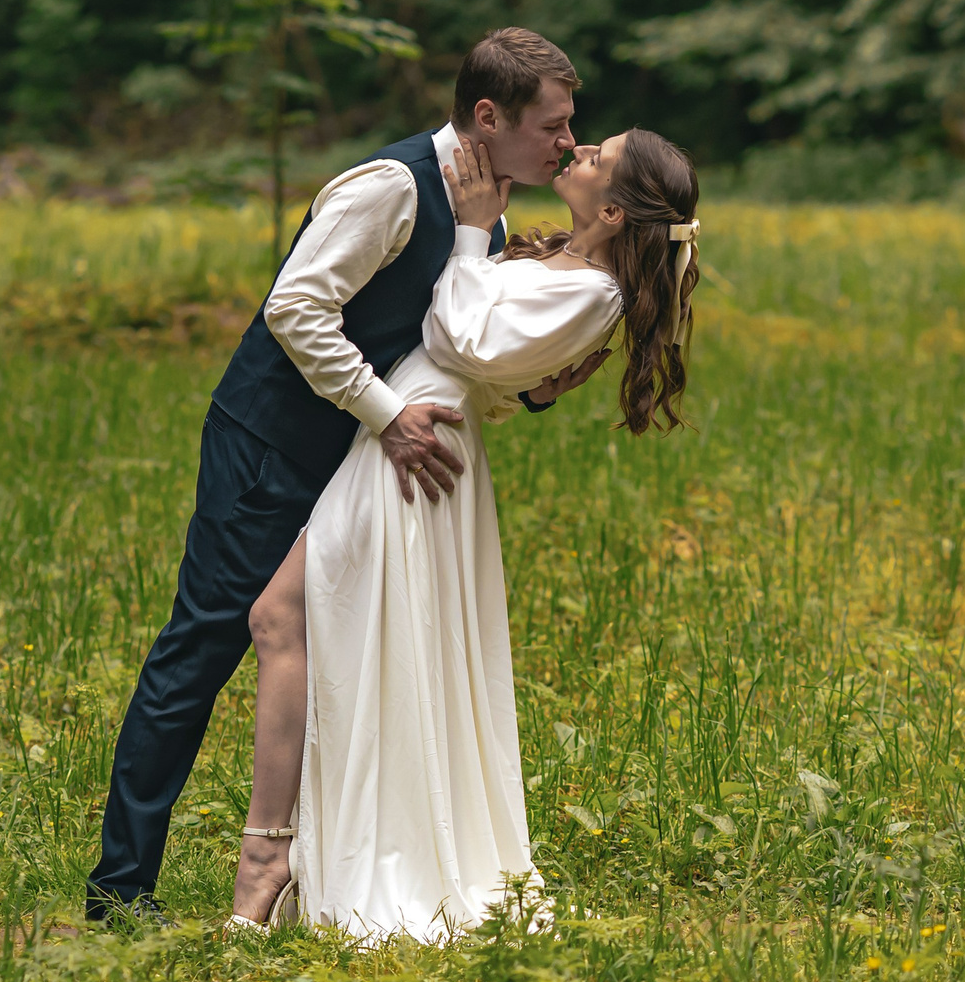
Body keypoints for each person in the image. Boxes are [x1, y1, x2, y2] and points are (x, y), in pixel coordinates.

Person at [88, 29, 603, 919]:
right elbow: (295, 305)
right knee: (202, 649)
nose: (565, 145)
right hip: (273, 447)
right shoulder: (392, 187)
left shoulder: (490, 216)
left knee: (330, 656)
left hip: (356, 465)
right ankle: (119, 891)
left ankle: (321, 873)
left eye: (569, 129)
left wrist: (530, 389)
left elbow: (438, 349)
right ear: (489, 116)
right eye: (552, 126)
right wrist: (385, 414)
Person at [233, 127, 701, 937]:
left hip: (417, 447)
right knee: (317, 628)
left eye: (597, 157)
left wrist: (470, 234)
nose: (577, 150)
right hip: (411, 431)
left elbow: (459, 338)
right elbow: (486, 366)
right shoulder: (568, 267)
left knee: (284, 617)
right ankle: (283, 852)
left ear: (617, 211)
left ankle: (272, 859)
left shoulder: (596, 294)